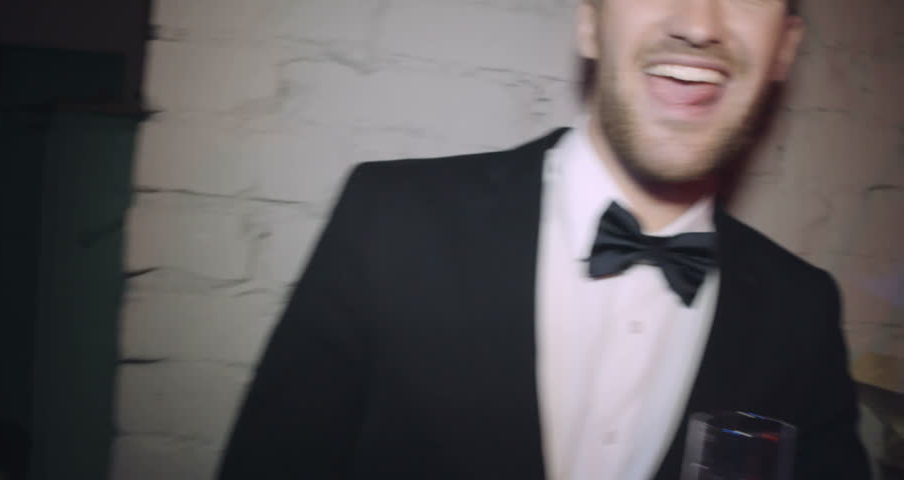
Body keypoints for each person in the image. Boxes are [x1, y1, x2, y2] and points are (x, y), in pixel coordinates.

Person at [218, 0, 871, 478]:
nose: (698, 23)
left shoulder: (803, 310)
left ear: (786, 48)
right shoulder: (390, 221)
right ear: (589, 21)